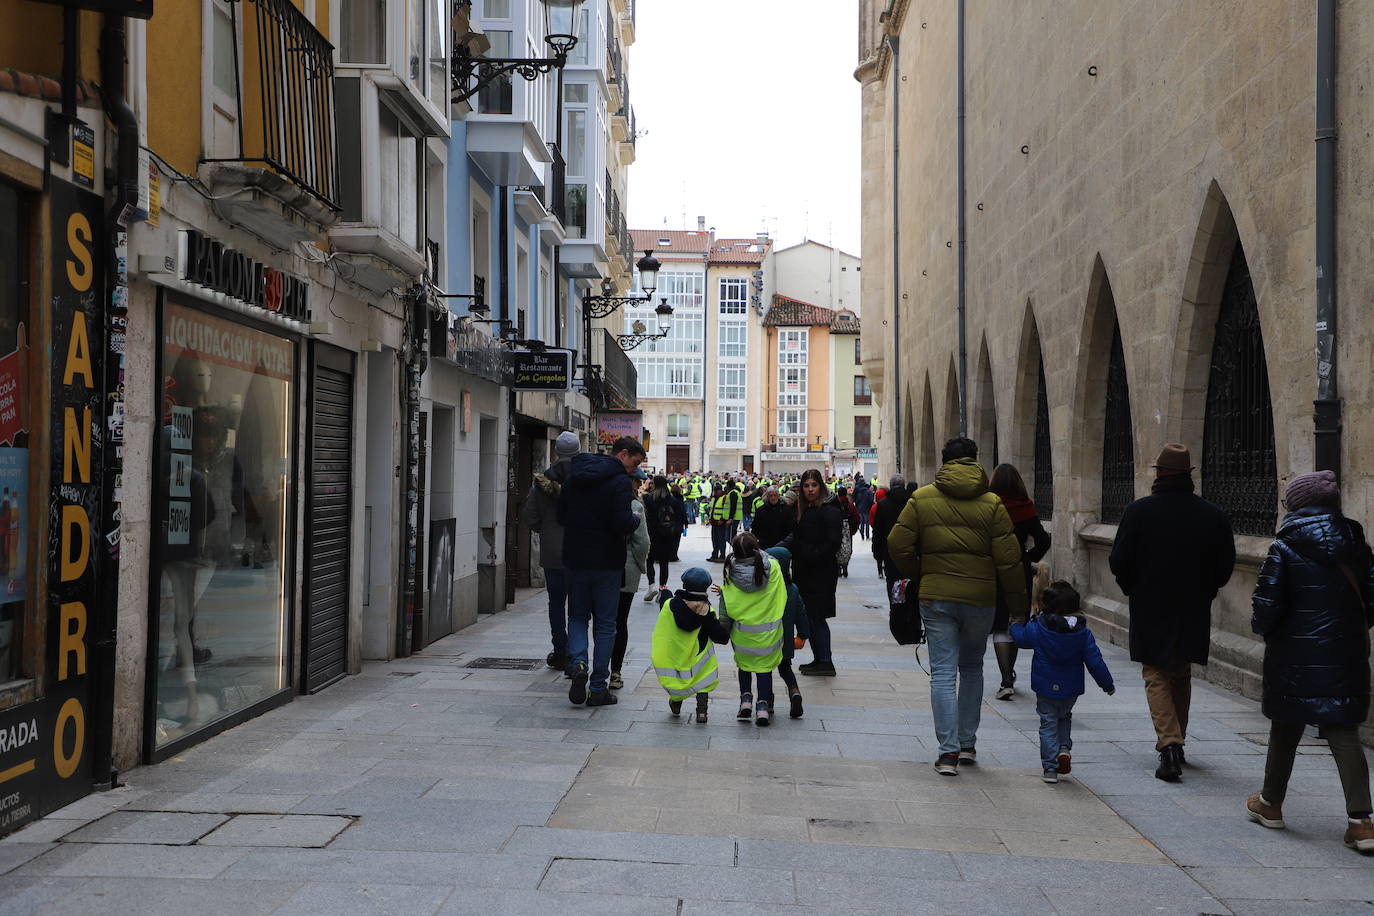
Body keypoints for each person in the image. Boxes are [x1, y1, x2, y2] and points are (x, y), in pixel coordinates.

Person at [1246, 470, 1374, 853]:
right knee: (1342, 728)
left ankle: (1270, 804)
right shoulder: (1357, 542)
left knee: (1287, 723)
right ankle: (1362, 822)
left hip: (1294, 651)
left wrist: (1266, 630)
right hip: (1346, 649)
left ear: (1296, 505)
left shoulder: (1285, 546)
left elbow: (1266, 605)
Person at [887, 438, 1027, 775]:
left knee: (943, 673)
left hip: (937, 597)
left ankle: (947, 753)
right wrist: (1018, 606)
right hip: (979, 599)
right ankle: (967, 743)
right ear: (975, 461)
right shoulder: (993, 503)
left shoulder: (922, 499)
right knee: (973, 667)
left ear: (944, 462)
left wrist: (920, 573)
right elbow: (1009, 561)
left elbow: (897, 542)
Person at [1109, 443, 1235, 782]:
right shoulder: (1213, 515)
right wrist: (1205, 590)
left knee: (1156, 673)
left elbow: (1119, 560)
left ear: (1160, 474)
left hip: (1151, 602)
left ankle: (1168, 745)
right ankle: (1177, 740)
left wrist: (1133, 586)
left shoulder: (1140, 512)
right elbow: (1224, 566)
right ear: (1188, 475)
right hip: (1192, 604)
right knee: (1180, 671)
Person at [558, 436, 645, 707]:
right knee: (607, 624)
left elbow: (561, 516)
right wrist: (634, 519)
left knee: (577, 617)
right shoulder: (619, 482)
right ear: (622, 454)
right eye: (635, 462)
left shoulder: (574, 477)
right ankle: (598, 688)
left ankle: (579, 663)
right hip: (607, 561)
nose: (634, 469)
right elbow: (620, 522)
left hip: (576, 558)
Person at [1010, 580, 1115, 784]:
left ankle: (1050, 766)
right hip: (1071, 688)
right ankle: (1064, 748)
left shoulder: (1038, 627)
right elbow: (1095, 661)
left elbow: (1022, 639)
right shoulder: (1083, 632)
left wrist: (1015, 625)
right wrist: (1107, 684)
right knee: (1064, 716)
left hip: (1045, 686)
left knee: (1048, 722)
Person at [988, 464, 1051, 700]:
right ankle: (1008, 676)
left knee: (999, 623)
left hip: (993, 568)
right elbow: (1043, 540)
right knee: (1016, 618)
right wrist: (1029, 557)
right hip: (1019, 569)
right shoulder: (1026, 507)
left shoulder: (989, 505)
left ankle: (1006, 678)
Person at [523, 431, 580, 672]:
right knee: (578, 607)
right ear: (578, 451)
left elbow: (530, 516)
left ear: (556, 451)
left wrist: (545, 530)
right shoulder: (586, 479)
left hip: (552, 552)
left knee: (555, 603)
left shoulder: (541, 482)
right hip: (581, 552)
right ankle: (577, 655)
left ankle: (560, 650)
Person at [716, 532, 787, 726]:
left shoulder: (730, 571)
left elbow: (727, 605)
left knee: (745, 667)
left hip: (741, 635)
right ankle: (762, 707)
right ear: (757, 548)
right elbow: (782, 595)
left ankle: (745, 701)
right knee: (764, 670)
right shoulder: (772, 568)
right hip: (769, 633)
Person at [780, 469, 844, 677]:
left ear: (821, 487)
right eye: (806, 486)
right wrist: (776, 549)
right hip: (806, 571)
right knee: (810, 616)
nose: (809, 490)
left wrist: (807, 554)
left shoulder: (830, 510)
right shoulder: (806, 509)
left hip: (821, 572)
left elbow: (833, 543)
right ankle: (820, 659)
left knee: (817, 616)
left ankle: (825, 660)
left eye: (813, 485)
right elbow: (795, 537)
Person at [651, 567, 731, 722]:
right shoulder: (707, 612)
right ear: (706, 587)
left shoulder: (670, 605)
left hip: (676, 655)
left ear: (684, 584)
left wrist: (665, 592)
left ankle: (676, 702)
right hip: (698, 657)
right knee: (703, 681)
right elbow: (720, 636)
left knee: (677, 679)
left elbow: (664, 601)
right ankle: (702, 712)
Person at [610, 474, 651, 690]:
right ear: (633, 483)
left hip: (601, 566)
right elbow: (642, 541)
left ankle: (593, 668)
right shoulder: (634, 505)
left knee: (603, 621)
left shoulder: (604, 499)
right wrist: (641, 565)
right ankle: (615, 672)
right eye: (638, 481)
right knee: (620, 621)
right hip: (626, 567)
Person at [765, 545, 810, 718]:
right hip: (786, 640)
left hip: (767, 637)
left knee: (766, 669)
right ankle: (794, 692)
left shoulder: (766, 590)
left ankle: (768, 700)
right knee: (785, 669)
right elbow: (801, 615)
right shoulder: (792, 590)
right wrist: (803, 635)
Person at [642, 475, 687, 600]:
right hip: (667, 536)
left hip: (652, 535)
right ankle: (662, 589)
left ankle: (651, 586)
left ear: (654, 485)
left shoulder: (648, 499)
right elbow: (679, 516)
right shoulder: (673, 500)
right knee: (664, 563)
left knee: (649, 561)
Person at [872, 476, 909, 580]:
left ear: (891, 486)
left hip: (888, 547)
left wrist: (876, 550)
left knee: (891, 579)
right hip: (908, 546)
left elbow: (878, 529)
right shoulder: (911, 501)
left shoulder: (883, 504)